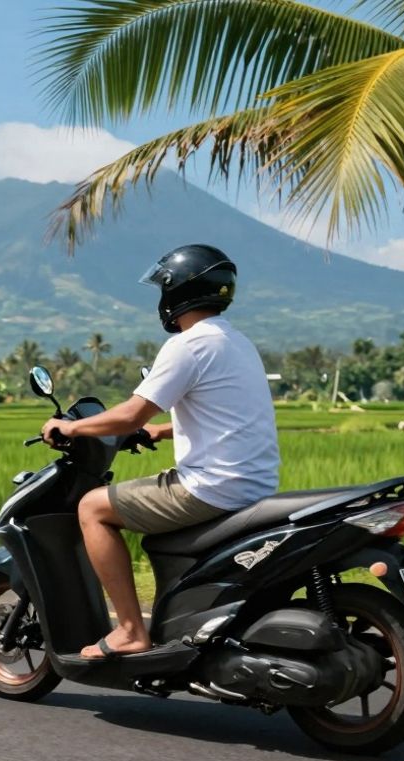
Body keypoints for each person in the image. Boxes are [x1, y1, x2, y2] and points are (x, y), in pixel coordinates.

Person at [42, 244, 280, 659]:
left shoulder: (188, 345)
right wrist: (166, 431)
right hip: (252, 485)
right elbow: (229, 415)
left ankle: (132, 631)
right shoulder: (237, 343)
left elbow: (130, 414)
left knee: (92, 507)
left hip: (210, 487)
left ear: (177, 292)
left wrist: (71, 426)